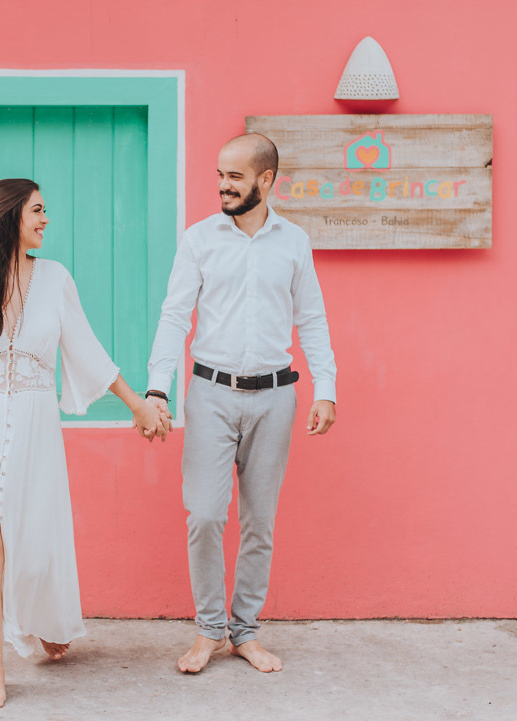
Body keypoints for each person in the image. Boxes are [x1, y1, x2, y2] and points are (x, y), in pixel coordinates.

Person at [0, 178, 163, 708]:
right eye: (38, 210)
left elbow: (88, 350)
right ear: (9, 217)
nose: (46, 220)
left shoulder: (55, 279)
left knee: (33, 545)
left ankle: (41, 621)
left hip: (34, 429)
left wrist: (138, 403)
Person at [142, 133, 338, 674]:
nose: (223, 186)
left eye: (235, 177)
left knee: (260, 523)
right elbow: (174, 316)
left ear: (266, 180)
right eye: (220, 175)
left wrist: (327, 387)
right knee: (204, 516)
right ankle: (209, 630)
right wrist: (157, 387)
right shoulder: (199, 239)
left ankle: (244, 632)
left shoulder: (294, 242)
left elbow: (312, 318)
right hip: (210, 395)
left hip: (276, 397)